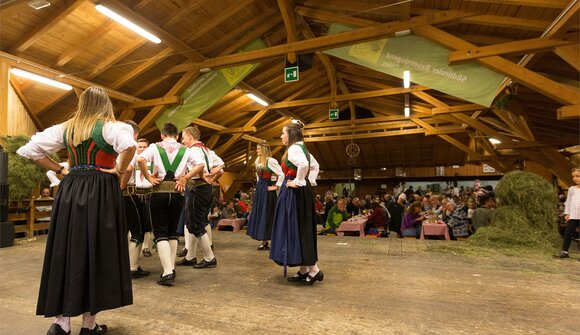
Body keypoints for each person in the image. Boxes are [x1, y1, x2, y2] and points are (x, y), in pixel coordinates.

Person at [17, 86, 136, 335]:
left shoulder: (66, 128)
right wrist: (119, 170)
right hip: (101, 189)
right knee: (96, 250)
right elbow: (129, 147)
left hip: (71, 189)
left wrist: (60, 170)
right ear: (106, 104)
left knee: (67, 247)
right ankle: (89, 324)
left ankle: (61, 323)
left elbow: (30, 150)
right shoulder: (111, 127)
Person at [138, 123, 200, 286]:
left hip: (159, 193)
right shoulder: (185, 149)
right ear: (178, 136)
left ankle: (167, 272)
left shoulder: (154, 147)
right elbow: (200, 165)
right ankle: (170, 267)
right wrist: (186, 178)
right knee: (173, 232)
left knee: (160, 232)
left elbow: (140, 159)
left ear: (162, 135)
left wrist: (149, 176)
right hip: (177, 193)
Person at [270, 120, 322, 285]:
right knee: (300, 227)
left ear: (291, 134)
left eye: (283, 133)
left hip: (295, 193)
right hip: (301, 192)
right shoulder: (302, 148)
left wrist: (298, 181)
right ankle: (304, 269)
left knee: (297, 228)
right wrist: (308, 181)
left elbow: (304, 164)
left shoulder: (293, 149)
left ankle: (314, 271)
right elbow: (315, 166)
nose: (281, 136)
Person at [118, 121, 151, 279]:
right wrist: (121, 186)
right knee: (137, 232)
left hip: (118, 196)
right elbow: (128, 168)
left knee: (122, 231)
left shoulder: (114, 145)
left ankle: (120, 265)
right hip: (129, 194)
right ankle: (132, 267)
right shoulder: (129, 145)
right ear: (135, 134)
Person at [247, 142, 284, 250]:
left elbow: (282, 174)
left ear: (263, 149)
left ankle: (273, 241)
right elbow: (258, 177)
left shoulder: (270, 161)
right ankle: (264, 241)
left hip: (268, 191)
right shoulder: (257, 161)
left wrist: (276, 186)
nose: (257, 150)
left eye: (258, 149)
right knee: (261, 215)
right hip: (260, 190)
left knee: (268, 214)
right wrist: (258, 188)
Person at [555, 167, 580, 260]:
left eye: (578, 176)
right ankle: (564, 252)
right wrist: (567, 213)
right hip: (573, 215)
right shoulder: (572, 189)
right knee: (567, 233)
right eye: (573, 176)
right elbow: (568, 202)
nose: (575, 178)